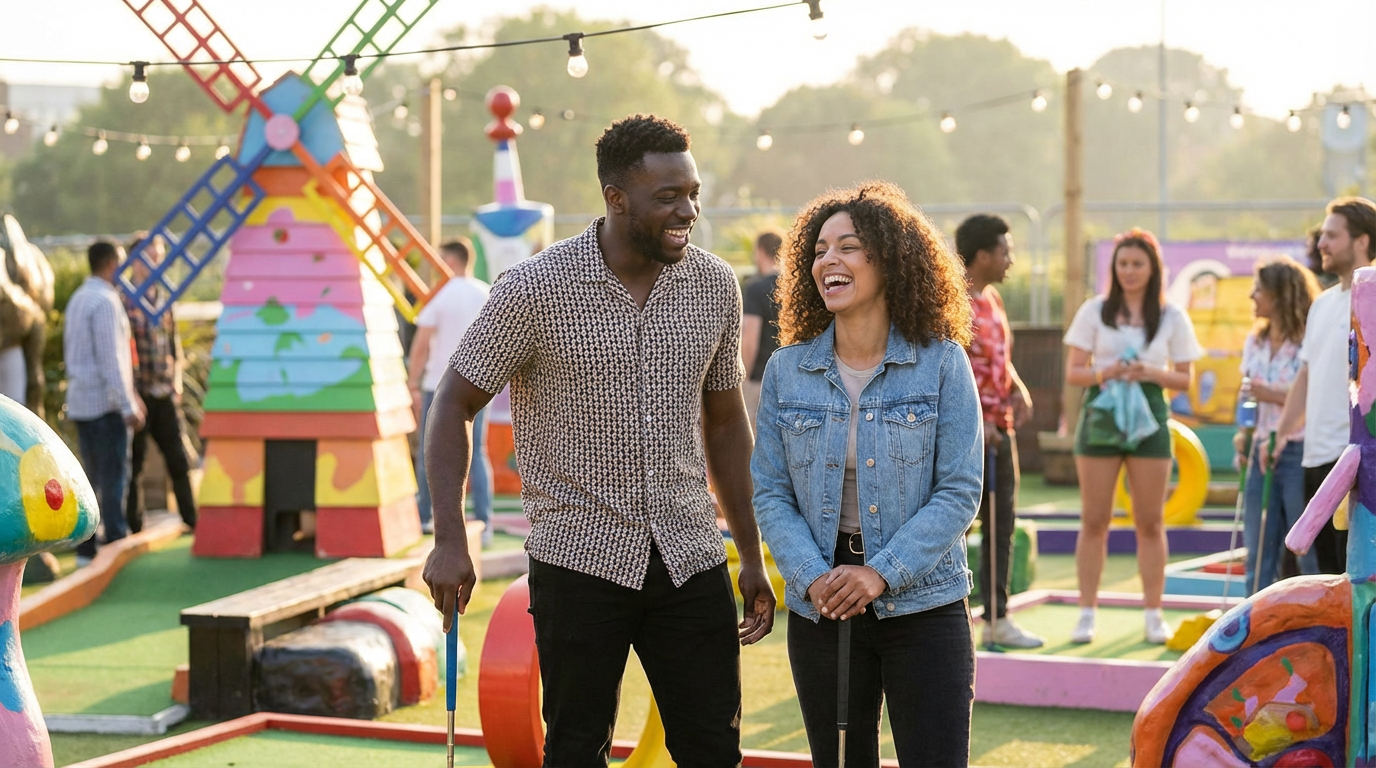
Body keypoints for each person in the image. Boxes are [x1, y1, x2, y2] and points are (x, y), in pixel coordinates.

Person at [421, 114, 775, 767]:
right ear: (616, 198)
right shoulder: (533, 288)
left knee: (713, 748)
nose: (688, 210)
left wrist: (749, 553)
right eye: (668, 197)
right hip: (578, 561)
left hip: (691, 554)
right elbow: (453, 405)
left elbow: (726, 422)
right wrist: (448, 539)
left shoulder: (715, 285)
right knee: (577, 750)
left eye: (692, 193)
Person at [753, 181, 982, 766]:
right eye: (820, 250)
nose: (828, 260)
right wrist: (812, 576)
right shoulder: (787, 370)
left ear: (891, 259)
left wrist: (879, 573)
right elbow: (771, 491)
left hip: (924, 605)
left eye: (848, 247)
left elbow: (959, 491)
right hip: (822, 605)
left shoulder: (942, 362)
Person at [1063, 228, 1202, 644]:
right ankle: (1086, 611)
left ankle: (1153, 612)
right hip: (1102, 411)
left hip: (1150, 412)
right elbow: (1073, 372)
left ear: (1153, 268)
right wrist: (1106, 372)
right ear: (1114, 267)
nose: (1129, 271)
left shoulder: (1172, 316)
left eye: (1137, 263)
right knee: (1094, 519)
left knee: (1150, 520)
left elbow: (1185, 379)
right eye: (1122, 263)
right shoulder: (1094, 310)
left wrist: (1150, 372)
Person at [1270, 197, 1376, 574]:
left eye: (1332, 235)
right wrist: (1281, 435)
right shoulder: (1322, 304)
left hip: (1358, 461)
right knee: (1331, 574)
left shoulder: (1374, 298)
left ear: (1362, 241)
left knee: (1360, 574)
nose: (1321, 244)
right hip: (1316, 458)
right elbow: (1306, 375)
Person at [956, 213, 1044, 648]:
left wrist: (1018, 387)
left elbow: (997, 359)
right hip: (967, 435)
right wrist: (978, 420)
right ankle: (956, 619)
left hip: (1000, 431)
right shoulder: (953, 303)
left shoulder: (992, 301)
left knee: (1002, 524)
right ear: (984, 255)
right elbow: (956, 369)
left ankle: (997, 617)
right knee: (960, 523)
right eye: (1005, 251)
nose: (1011, 260)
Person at [1234, 257, 1320, 591]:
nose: (1252, 296)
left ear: (1280, 294)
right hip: (1260, 451)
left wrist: (1269, 393)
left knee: (1305, 547)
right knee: (1257, 549)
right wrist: (1243, 436)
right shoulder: (1254, 341)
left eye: (1259, 289)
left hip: (1299, 450)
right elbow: (1245, 395)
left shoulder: (1305, 344)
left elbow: (1314, 398)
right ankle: (1254, 628)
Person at [65, 240, 144, 564]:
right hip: (105, 405)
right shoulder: (106, 300)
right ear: (111, 263)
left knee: (90, 477)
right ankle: (115, 544)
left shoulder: (78, 298)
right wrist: (128, 405)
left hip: (82, 401)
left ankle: (86, 547)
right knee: (113, 477)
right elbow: (111, 359)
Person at [408, 238, 492, 542]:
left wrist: (412, 381)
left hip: (439, 386)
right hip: (482, 386)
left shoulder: (441, 296)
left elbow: (420, 345)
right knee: (477, 452)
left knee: (432, 452)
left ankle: (425, 516)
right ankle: (484, 521)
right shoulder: (486, 293)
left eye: (441, 261)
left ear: (452, 261)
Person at [123, 235, 197, 533]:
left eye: (158, 256)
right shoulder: (122, 297)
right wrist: (128, 393)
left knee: (177, 459)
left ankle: (192, 519)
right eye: (149, 256)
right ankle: (134, 526)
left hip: (164, 390)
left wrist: (177, 380)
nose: (155, 262)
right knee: (135, 463)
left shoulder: (164, 296)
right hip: (138, 391)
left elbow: (173, 343)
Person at [741, 229, 782, 424]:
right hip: (790, 377)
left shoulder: (756, 288)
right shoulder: (793, 285)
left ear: (760, 251)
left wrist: (743, 379)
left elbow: (750, 339)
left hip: (760, 378)